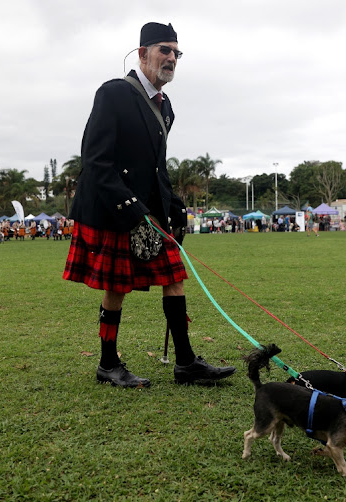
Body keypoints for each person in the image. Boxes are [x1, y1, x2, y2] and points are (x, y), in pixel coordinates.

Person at [63, 22, 236, 388]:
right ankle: (108, 364)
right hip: (114, 208)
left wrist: (175, 206)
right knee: (117, 287)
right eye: (164, 50)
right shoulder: (113, 94)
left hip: (148, 208)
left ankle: (186, 363)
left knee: (174, 277)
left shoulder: (166, 107)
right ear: (142, 54)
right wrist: (131, 208)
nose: (171, 59)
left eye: (176, 53)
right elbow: (95, 161)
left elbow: (157, 167)